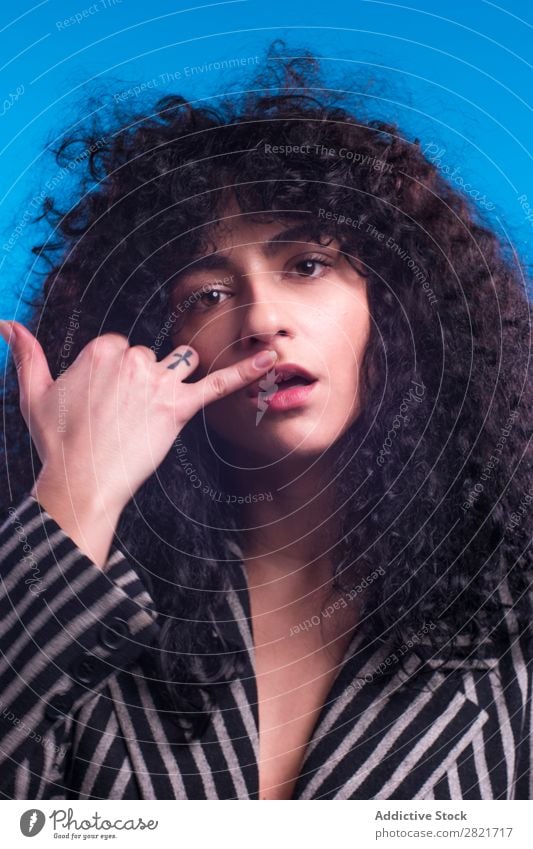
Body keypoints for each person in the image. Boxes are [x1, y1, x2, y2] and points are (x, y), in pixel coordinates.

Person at [0, 42, 531, 801]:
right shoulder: (68, 589)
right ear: (159, 348)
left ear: (393, 302)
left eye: (307, 265)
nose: (262, 319)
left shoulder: (514, 611)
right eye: (207, 294)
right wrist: (76, 494)